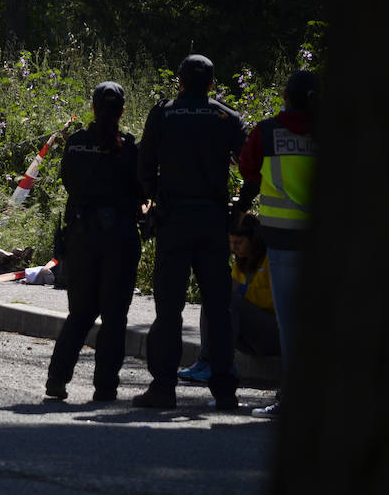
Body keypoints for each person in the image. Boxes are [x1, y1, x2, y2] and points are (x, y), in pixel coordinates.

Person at [134, 54, 247, 410]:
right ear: (212, 84)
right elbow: (252, 164)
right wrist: (240, 204)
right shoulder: (226, 117)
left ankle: (164, 387)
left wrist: (152, 199)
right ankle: (225, 391)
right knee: (218, 307)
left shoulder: (164, 113)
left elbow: (144, 164)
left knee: (169, 309)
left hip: (174, 221)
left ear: (179, 82)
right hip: (213, 221)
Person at [45, 81, 143, 402]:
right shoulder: (129, 148)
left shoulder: (74, 144)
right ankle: (105, 388)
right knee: (114, 318)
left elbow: (68, 182)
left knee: (81, 313)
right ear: (122, 112)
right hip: (119, 239)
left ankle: (57, 378)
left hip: (82, 237)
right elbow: (142, 192)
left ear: (92, 108)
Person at [233, 69, 317, 419]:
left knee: (290, 321)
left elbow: (248, 171)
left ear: (285, 97)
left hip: (282, 241)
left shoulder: (267, 132)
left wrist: (241, 205)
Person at [178, 214, 280, 382]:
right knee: (214, 296)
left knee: (231, 299)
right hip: (247, 336)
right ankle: (205, 361)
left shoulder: (270, 260)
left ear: (253, 240)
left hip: (271, 333)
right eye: (231, 243)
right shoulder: (240, 263)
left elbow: (274, 300)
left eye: (239, 243)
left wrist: (243, 290)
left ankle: (220, 365)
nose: (234, 248)